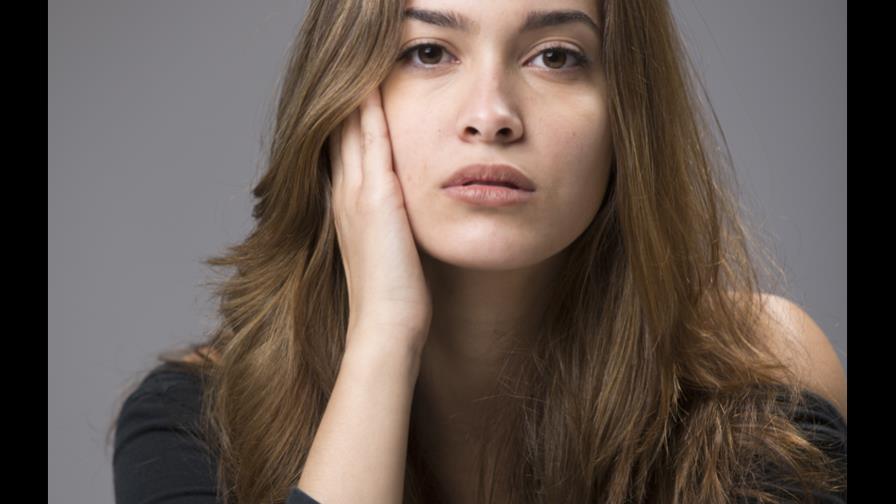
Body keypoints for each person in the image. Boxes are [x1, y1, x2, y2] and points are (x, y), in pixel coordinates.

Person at [109, 0, 846, 503]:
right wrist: (383, 336)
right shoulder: (194, 418)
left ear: (629, 113)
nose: (491, 115)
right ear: (341, 98)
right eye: (428, 52)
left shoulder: (758, 380)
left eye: (556, 56)